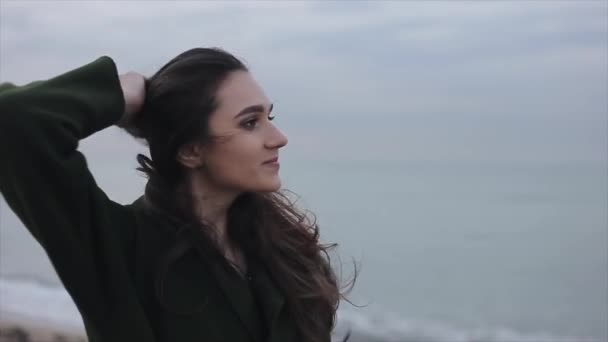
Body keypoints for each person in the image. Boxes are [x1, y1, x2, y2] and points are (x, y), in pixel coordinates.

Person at [0, 47, 356, 342]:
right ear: (190, 151)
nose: (278, 137)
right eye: (250, 122)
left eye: (269, 117)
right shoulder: (119, 247)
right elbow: (14, 120)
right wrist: (124, 91)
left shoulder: (289, 250)